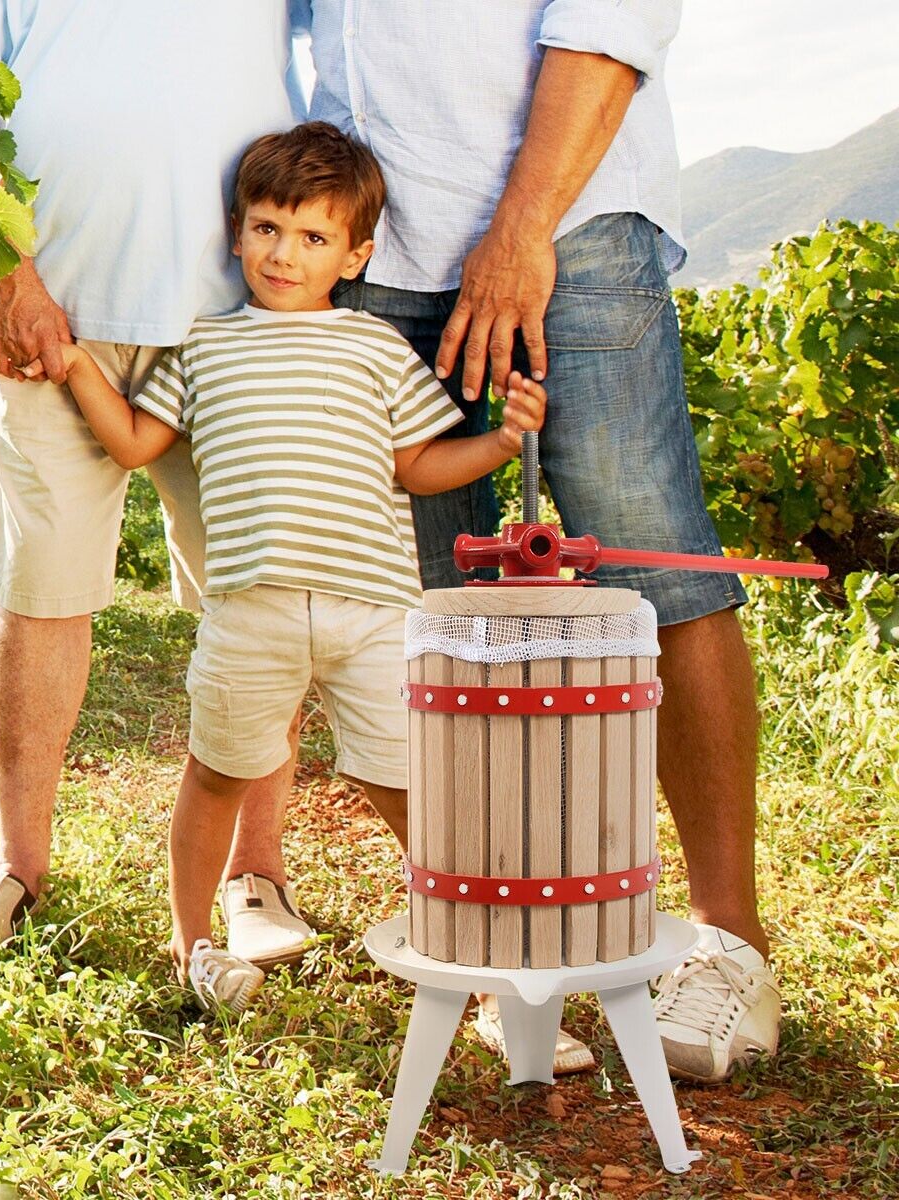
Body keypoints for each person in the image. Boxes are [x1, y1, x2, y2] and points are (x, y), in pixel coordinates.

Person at [300, 1, 780, 1083]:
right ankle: (492, 939)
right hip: (381, 253)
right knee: (430, 617)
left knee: (657, 566)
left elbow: (613, 19)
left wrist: (521, 228)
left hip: (573, 226)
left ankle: (730, 945)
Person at [29, 122, 547, 1010]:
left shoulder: (375, 347)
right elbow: (133, 443)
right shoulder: (203, 345)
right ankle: (194, 946)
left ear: (355, 256)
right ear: (237, 233)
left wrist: (502, 441)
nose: (283, 254)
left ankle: (487, 961)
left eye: (313, 237)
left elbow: (418, 466)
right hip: (249, 613)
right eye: (267, 228)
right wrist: (78, 366)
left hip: (373, 615)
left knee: (409, 786)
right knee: (216, 775)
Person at [0, 2, 318, 968]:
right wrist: (11, 278)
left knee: (259, 600)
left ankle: (255, 874)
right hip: (48, 311)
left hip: (233, 319)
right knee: (40, 592)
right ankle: (18, 868)